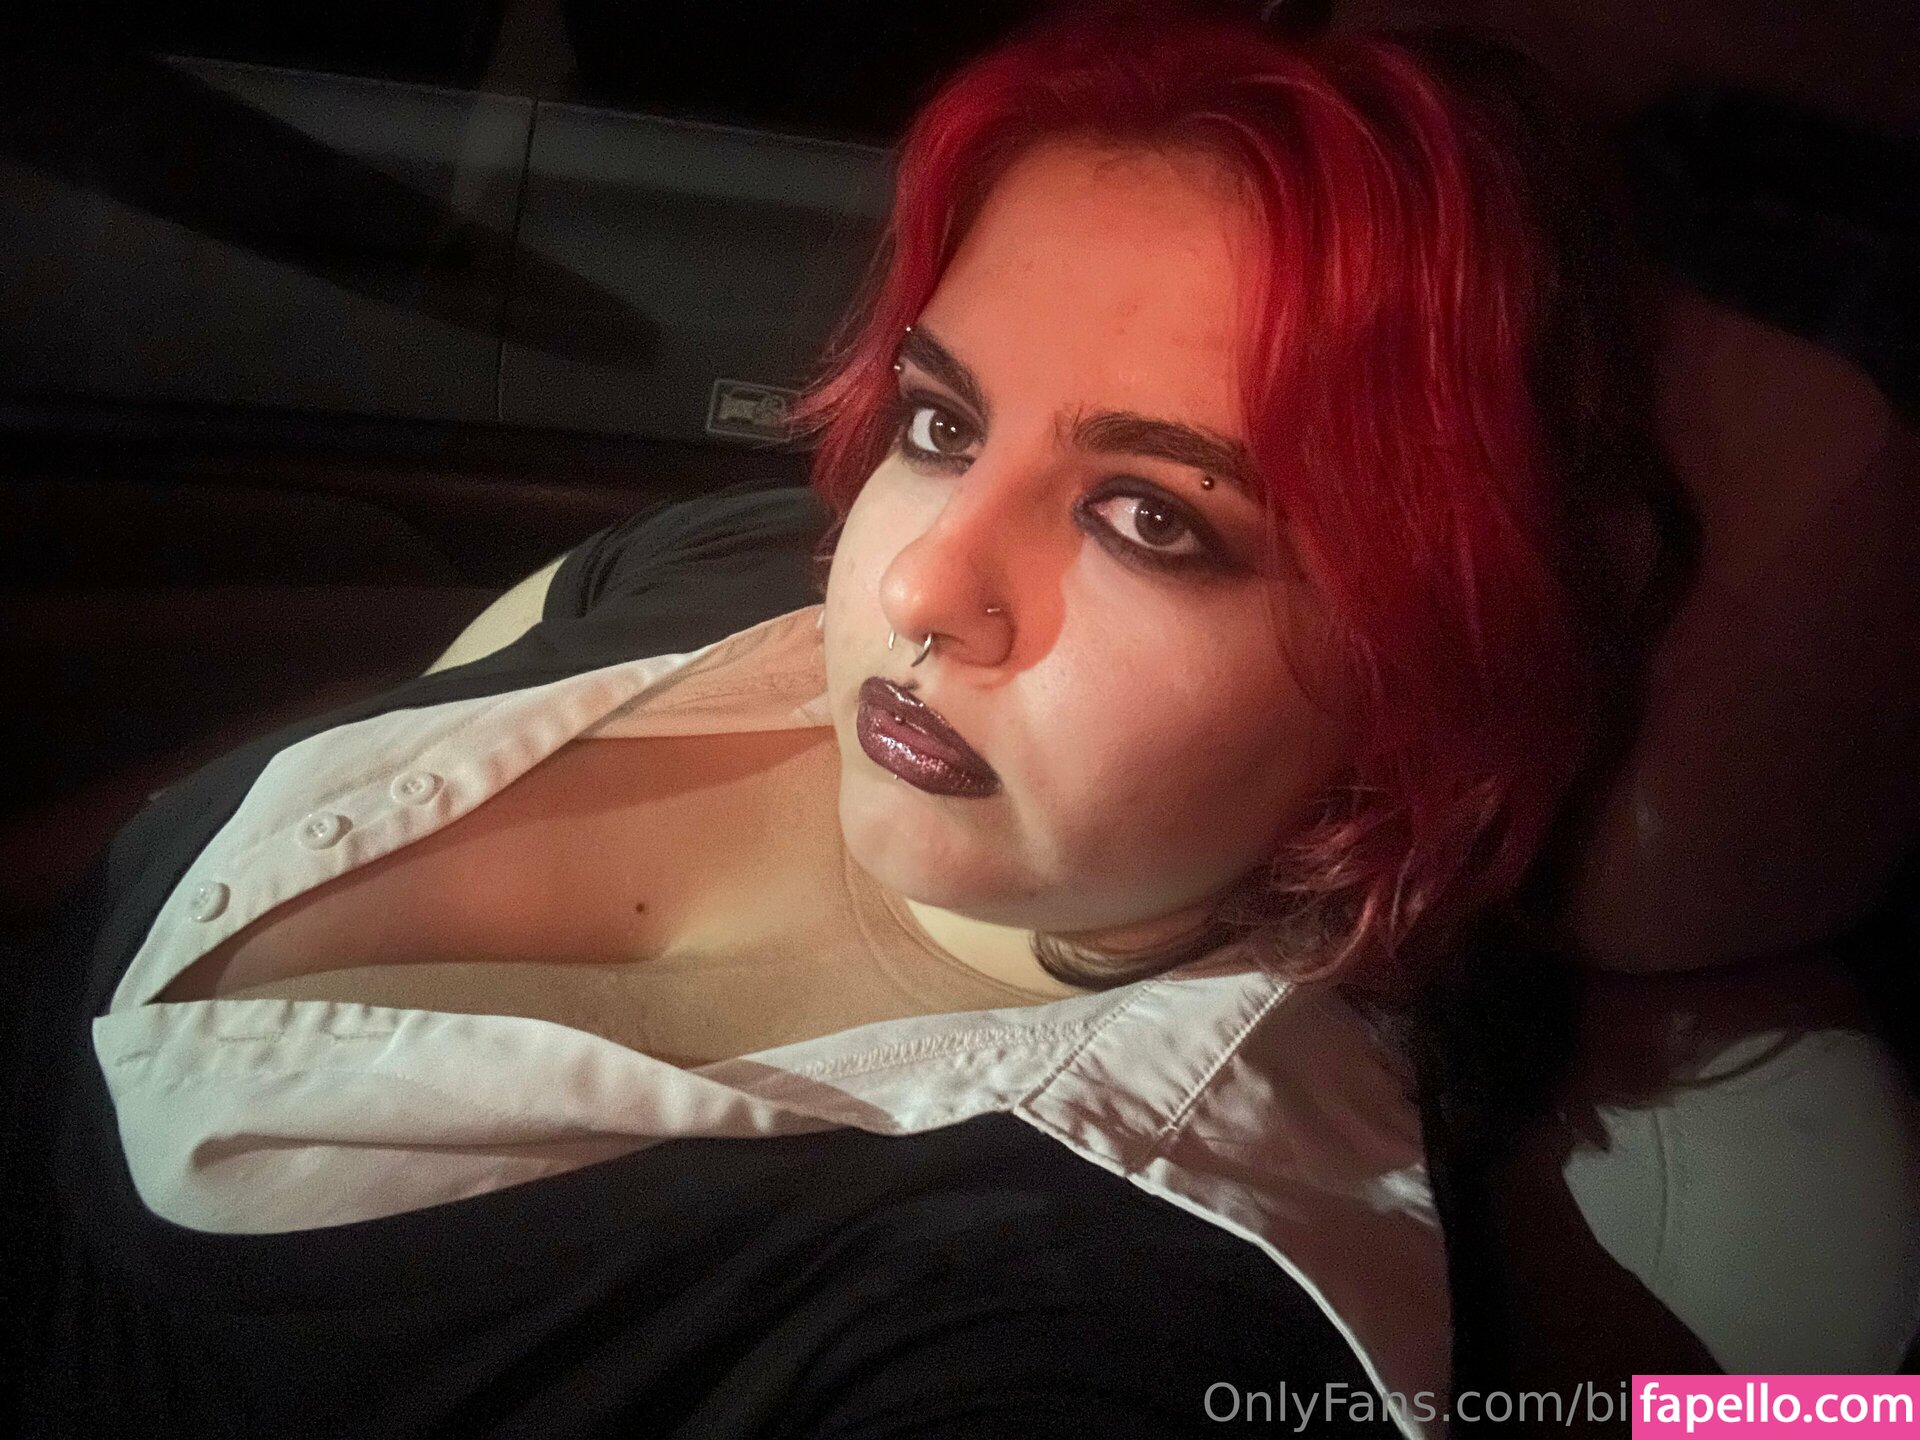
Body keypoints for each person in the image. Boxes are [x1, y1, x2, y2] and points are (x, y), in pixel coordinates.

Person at [9, 3, 1684, 1436]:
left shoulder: (1100, 1315)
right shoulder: (736, 561)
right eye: (944, 424)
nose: (911, 584)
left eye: (1151, 519)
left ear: (1418, 671)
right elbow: (342, 748)